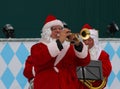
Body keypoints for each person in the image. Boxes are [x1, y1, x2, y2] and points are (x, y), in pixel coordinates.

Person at [23, 15, 90, 89]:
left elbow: (85, 62)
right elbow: (40, 59)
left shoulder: (70, 47)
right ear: (47, 31)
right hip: (47, 85)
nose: (58, 31)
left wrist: (78, 45)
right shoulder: (38, 47)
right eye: (54, 29)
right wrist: (59, 42)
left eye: (60, 28)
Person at [79, 24, 112, 89]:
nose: (87, 43)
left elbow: (107, 70)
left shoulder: (102, 54)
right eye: (85, 40)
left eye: (89, 40)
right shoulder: (78, 54)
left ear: (94, 40)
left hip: (95, 86)